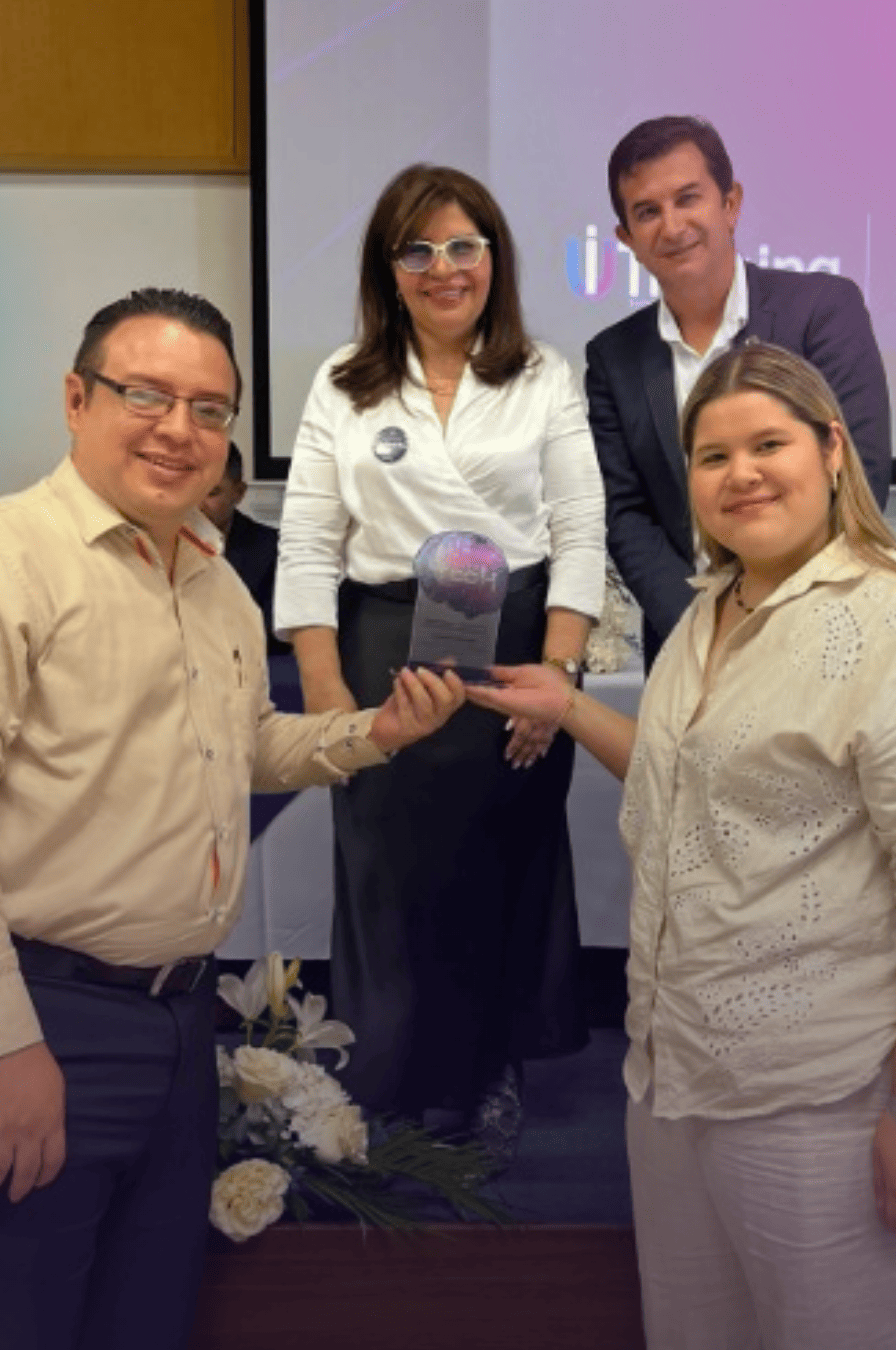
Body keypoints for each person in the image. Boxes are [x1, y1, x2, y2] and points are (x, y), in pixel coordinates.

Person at [0, 287, 464, 1350]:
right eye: (146, 395)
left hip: (175, 1026)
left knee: (143, 1321)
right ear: (77, 399)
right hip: (36, 1016)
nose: (179, 429)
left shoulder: (213, 584)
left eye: (210, 410)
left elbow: (246, 747)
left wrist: (377, 732)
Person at [467, 343, 896, 1348]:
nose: (741, 474)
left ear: (831, 450)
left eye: (768, 445)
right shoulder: (710, 616)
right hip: (680, 1079)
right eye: (713, 456)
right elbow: (694, 782)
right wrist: (569, 706)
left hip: (835, 1095)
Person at [274, 164, 606, 1154]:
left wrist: (559, 681)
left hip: (515, 647)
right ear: (389, 268)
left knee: (501, 858)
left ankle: (488, 1068)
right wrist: (326, 691)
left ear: (494, 257)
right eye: (417, 249)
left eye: (464, 245)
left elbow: (579, 531)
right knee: (385, 868)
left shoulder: (541, 374)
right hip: (383, 641)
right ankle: (386, 1070)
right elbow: (307, 542)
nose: (443, 267)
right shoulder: (345, 380)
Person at [586, 115, 893, 666]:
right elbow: (625, 514)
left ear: (731, 204)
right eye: (648, 212)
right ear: (626, 239)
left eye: (688, 199)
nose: (672, 226)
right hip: (690, 643)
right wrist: (707, 624)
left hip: (823, 626)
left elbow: (859, 468)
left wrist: (780, 616)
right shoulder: (613, 357)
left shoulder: (822, 310)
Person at [201, 441, 301, 711]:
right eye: (191, 489)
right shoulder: (156, 543)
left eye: (212, 493)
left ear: (239, 493)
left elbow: (276, 637)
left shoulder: (273, 550)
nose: (197, 504)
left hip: (250, 685)